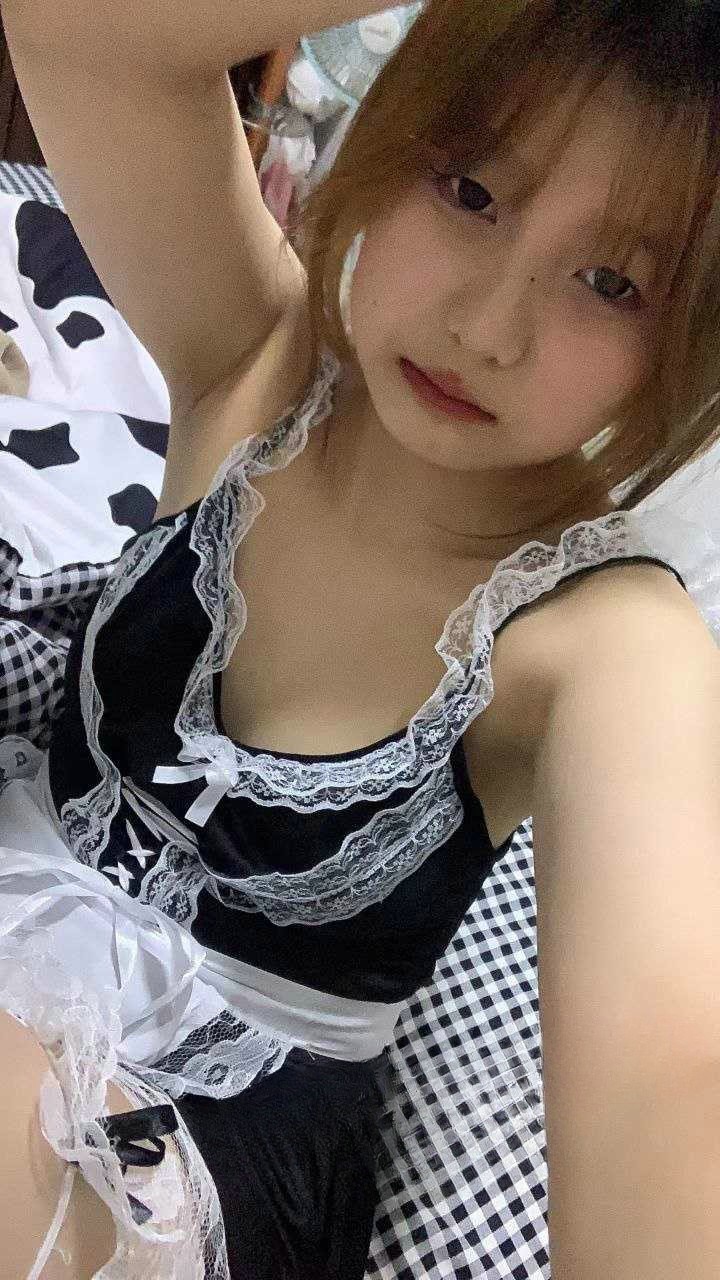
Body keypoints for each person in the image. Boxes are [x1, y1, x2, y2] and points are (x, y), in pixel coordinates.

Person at [0, 0, 718, 1276]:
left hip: (206, 1136)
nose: (487, 326)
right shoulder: (255, 357)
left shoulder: (612, 644)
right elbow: (73, 29)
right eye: (470, 190)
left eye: (612, 283)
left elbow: (671, 1097)